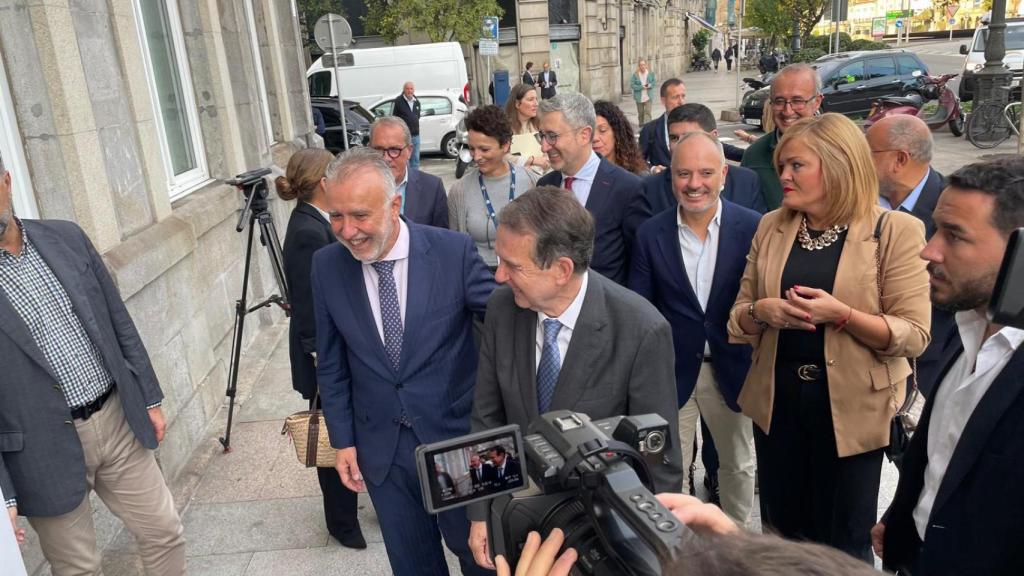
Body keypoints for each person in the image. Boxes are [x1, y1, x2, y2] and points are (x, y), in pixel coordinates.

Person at [727, 113, 931, 562]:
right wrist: (763, 311)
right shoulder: (772, 226)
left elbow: (914, 335)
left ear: (838, 164)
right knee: (781, 540)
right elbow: (737, 319)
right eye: (782, 165)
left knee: (842, 545)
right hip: (778, 407)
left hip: (853, 416)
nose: (783, 175)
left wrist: (843, 315)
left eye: (796, 165)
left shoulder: (893, 230)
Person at [468, 186, 683, 570]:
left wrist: (652, 557)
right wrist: (480, 513)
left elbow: (659, 461)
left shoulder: (641, 329)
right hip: (521, 524)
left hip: (599, 537)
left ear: (562, 269)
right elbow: (488, 419)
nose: (499, 276)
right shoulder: (503, 309)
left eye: (513, 266)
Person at [312, 148, 496, 576]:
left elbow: (506, 326)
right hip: (382, 451)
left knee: (481, 558)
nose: (347, 231)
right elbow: (332, 363)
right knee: (413, 566)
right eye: (336, 216)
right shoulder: (326, 266)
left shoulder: (453, 252)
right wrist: (343, 440)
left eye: (359, 215)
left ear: (395, 204)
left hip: (458, 442)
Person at [0, 155, 186, 575]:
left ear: (7, 182)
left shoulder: (65, 237)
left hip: (116, 417)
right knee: (79, 568)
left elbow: (117, 319)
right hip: (39, 449)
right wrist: (5, 495)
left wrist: (149, 396)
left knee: (164, 530)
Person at [874, 157, 1024, 576]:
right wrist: (904, 516)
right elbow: (944, 456)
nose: (929, 249)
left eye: (954, 236)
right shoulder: (966, 330)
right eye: (936, 228)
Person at [631, 131, 761, 527]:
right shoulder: (650, 233)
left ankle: (734, 545)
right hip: (672, 371)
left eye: (705, 172)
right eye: (683, 173)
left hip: (735, 367)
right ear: (671, 176)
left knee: (738, 465)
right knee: (669, 468)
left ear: (724, 173)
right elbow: (642, 308)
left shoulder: (755, 227)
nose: (694, 184)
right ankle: (683, 551)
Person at [276, 148, 365, 549]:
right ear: (323, 182)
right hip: (321, 357)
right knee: (332, 434)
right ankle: (342, 524)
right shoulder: (307, 232)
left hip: (327, 352)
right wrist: (322, 361)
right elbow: (308, 308)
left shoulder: (313, 221)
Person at [866, 114, 952, 398]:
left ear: (899, 159)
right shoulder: (858, 203)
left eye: (868, 153)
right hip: (862, 363)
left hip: (927, 362)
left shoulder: (952, 208)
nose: (859, 162)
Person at [535, 93, 652, 285]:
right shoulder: (545, 186)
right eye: (542, 136)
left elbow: (641, 264)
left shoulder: (627, 188)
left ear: (585, 135)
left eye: (552, 136)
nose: (544, 147)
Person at [448, 105, 536, 269]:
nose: (477, 157)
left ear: (505, 145)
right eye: (472, 149)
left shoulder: (532, 182)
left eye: (484, 149)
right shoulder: (459, 191)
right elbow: (455, 247)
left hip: (525, 276)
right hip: (478, 278)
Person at [643, 103, 766, 215]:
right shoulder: (651, 188)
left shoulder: (746, 182)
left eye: (688, 136)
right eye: (674, 138)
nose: (680, 145)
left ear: (714, 137)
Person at [741, 63, 823, 211]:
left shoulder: (839, 150)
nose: (788, 111)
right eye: (779, 101)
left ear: (817, 102)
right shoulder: (754, 157)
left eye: (797, 101)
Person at [369, 116, 448, 228]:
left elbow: (441, 239)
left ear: (409, 151)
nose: (386, 158)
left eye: (394, 150)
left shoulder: (432, 188)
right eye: (379, 150)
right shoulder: (353, 189)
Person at [639, 78, 687, 173]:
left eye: (683, 96)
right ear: (663, 101)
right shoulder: (650, 130)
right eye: (675, 97)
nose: (681, 102)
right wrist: (653, 169)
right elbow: (637, 161)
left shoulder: (696, 127)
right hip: (662, 184)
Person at [593, 100, 647, 175]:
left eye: (602, 130)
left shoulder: (637, 178)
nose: (594, 138)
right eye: (590, 132)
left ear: (617, 133)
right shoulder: (578, 176)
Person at [504, 84, 549, 175]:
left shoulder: (540, 125)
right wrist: (532, 160)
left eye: (536, 99)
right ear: (517, 104)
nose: (536, 103)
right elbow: (502, 156)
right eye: (530, 99)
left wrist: (545, 162)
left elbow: (548, 152)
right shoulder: (504, 128)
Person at [392, 81, 422, 169]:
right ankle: (406, 178)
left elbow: (417, 116)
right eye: (407, 89)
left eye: (411, 89)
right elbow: (395, 118)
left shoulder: (417, 102)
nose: (410, 91)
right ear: (404, 90)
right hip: (404, 136)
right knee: (405, 159)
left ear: (414, 90)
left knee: (415, 160)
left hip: (416, 136)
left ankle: (415, 178)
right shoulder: (398, 101)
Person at [630, 59, 656, 126]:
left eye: (644, 64)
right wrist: (641, 87)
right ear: (639, 66)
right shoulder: (635, 75)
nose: (642, 66)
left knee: (647, 112)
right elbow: (632, 85)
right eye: (641, 65)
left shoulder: (650, 73)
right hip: (639, 97)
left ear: (646, 65)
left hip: (648, 96)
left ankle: (648, 127)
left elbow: (653, 82)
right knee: (641, 113)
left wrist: (650, 85)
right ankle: (641, 128)